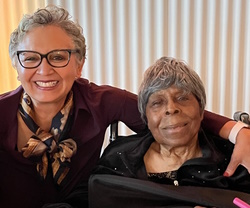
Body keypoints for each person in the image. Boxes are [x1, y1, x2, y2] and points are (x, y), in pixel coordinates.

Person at [0, 4, 249, 208]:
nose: (44, 69)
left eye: (58, 57)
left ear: (79, 65)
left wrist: (238, 131)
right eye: (30, 58)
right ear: (16, 64)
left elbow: (168, 117)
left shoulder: (103, 101)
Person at [90, 57, 250, 207]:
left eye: (182, 98)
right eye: (157, 102)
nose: (171, 108)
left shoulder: (233, 158)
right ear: (146, 118)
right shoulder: (119, 159)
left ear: (201, 110)